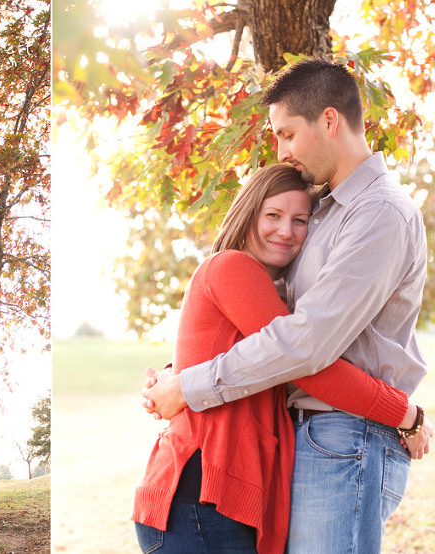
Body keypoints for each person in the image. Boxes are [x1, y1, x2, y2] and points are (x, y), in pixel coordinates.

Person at [142, 58, 433, 552]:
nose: (282, 151)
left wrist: (189, 384)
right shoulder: (322, 212)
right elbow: (271, 328)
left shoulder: (378, 212)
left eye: (287, 133)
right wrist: (184, 368)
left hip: (348, 435)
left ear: (328, 120)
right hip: (313, 436)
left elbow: (304, 346)